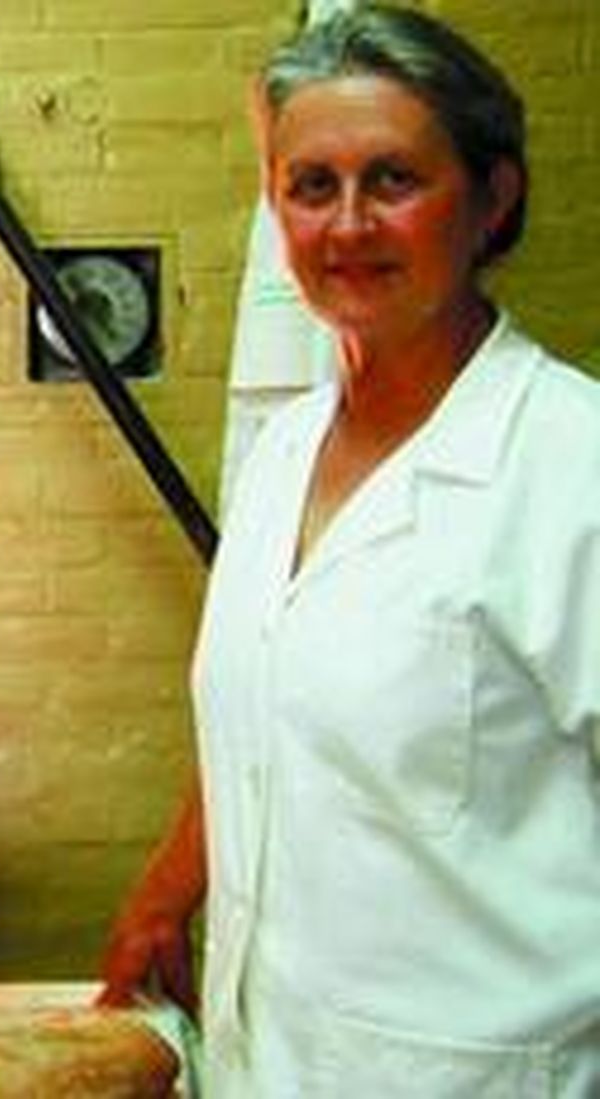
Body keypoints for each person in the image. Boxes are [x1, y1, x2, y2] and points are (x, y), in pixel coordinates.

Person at [98, 7, 600, 1095]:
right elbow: (273, 715)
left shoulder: (571, 468)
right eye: (309, 186)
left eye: (392, 181)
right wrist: (163, 894)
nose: (347, 225)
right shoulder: (283, 452)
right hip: (262, 1062)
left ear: (491, 197)